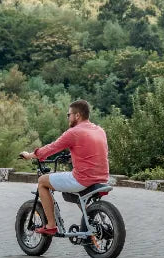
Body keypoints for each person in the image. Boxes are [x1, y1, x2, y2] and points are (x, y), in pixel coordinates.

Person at [19, 99, 108, 235]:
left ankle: (50, 225)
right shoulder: (100, 130)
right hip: (101, 177)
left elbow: (51, 148)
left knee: (43, 181)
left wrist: (30, 155)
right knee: (69, 179)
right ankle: (91, 220)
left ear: (77, 115)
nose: (68, 118)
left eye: (69, 115)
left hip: (82, 179)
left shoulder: (74, 132)